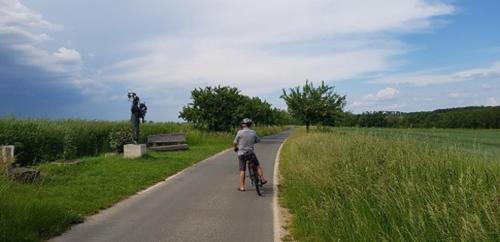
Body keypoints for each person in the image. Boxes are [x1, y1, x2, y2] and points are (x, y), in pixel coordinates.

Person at [233, 118, 267, 191]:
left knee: (242, 170)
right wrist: (251, 143)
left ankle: (242, 187)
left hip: (241, 153)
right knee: (257, 165)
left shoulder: (240, 132)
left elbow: (235, 142)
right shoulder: (253, 132)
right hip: (250, 153)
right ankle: (262, 178)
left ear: (244, 125)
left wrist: (236, 148)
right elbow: (258, 140)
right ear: (250, 125)